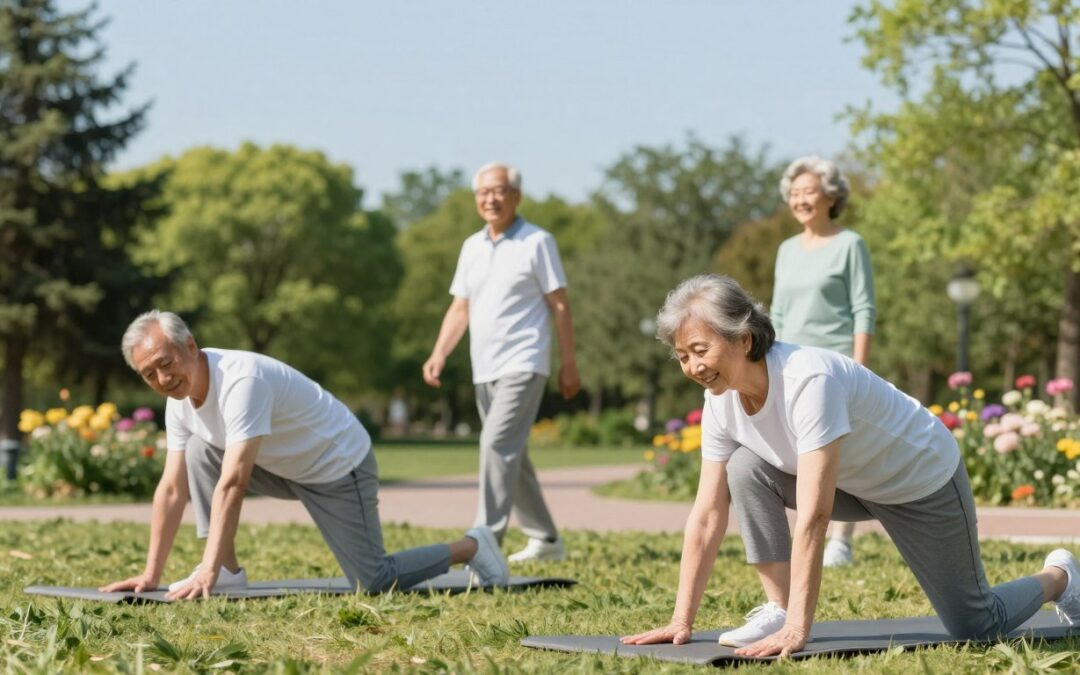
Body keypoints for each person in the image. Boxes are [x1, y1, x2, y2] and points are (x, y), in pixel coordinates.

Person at [622, 275, 1079, 657]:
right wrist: (681, 620)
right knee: (745, 466)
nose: (693, 366)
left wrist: (801, 632)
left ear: (743, 339)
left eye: (700, 350)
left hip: (919, 481)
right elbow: (706, 515)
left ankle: (1061, 576)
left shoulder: (808, 380)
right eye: (683, 356)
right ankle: (776, 608)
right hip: (854, 483)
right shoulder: (720, 402)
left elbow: (815, 517)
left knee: (977, 625)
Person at [101, 310, 508, 600]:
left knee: (374, 582)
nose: (162, 378)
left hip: (338, 466)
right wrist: (151, 574)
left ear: (190, 346)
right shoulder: (180, 401)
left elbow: (235, 482)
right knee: (198, 450)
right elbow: (172, 489)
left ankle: (472, 546)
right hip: (282, 465)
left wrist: (200, 568)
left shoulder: (241, 380)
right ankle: (226, 571)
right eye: (148, 374)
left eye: (165, 363)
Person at [423, 161, 580, 563]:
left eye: (498, 191)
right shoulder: (471, 247)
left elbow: (559, 305)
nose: (490, 199)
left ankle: (485, 538)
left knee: (495, 443)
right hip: (484, 367)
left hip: (524, 361)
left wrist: (569, 363)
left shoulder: (537, 241)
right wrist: (440, 352)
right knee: (510, 452)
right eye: (482, 193)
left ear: (516, 196)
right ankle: (546, 539)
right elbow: (460, 307)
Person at [772, 156, 875, 567]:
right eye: (794, 193)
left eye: (809, 191)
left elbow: (863, 308)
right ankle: (807, 530)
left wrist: (860, 365)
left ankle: (841, 539)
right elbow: (777, 314)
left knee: (838, 451)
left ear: (831, 196)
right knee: (796, 451)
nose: (800, 199)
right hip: (790, 361)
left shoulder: (850, 244)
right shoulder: (785, 250)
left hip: (835, 362)